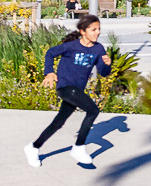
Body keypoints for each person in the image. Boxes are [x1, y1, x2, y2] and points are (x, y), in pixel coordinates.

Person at [23, 14, 112, 168]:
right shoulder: (72, 46)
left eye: (98, 29)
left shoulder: (98, 49)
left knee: (58, 123)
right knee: (92, 111)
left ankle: (33, 147)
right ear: (83, 31)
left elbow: (103, 72)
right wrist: (49, 72)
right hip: (65, 87)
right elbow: (51, 52)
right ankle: (78, 147)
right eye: (93, 29)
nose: (97, 32)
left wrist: (107, 64)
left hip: (76, 90)